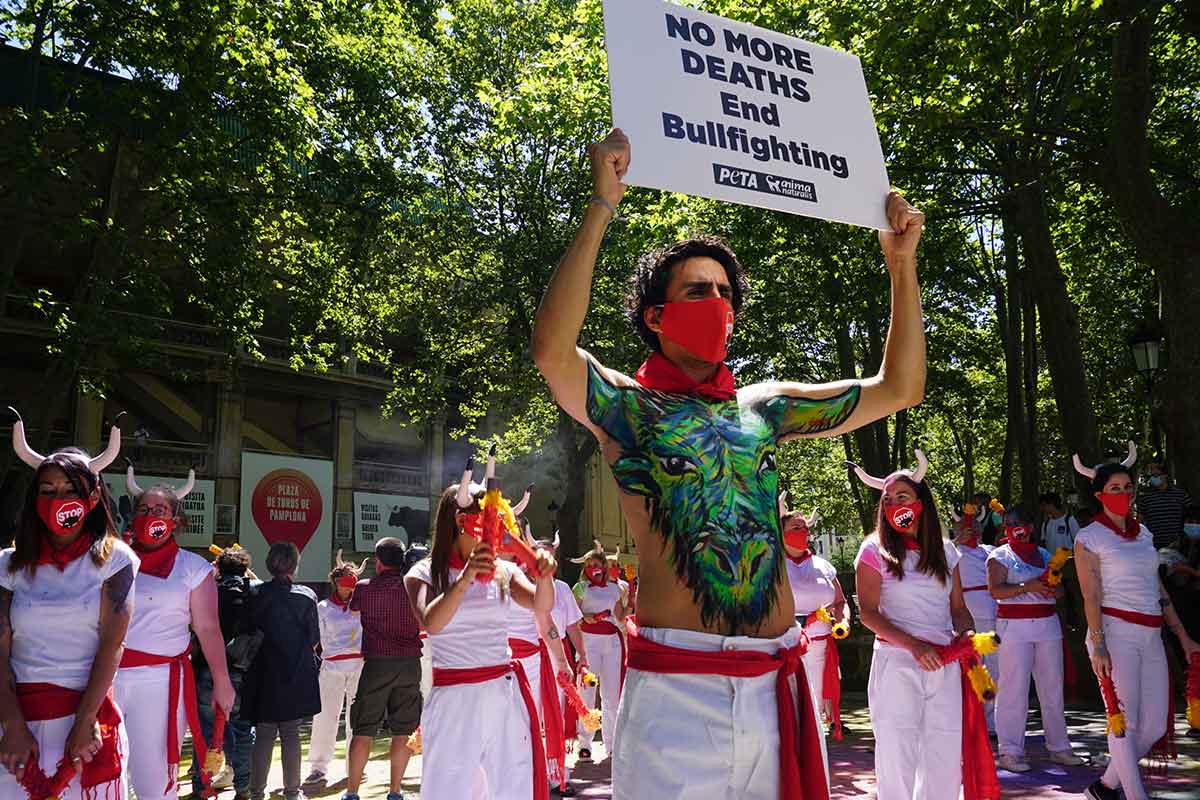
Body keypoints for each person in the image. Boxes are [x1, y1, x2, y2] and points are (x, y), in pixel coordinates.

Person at [531, 126, 925, 799]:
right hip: (674, 698)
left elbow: (899, 388)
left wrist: (900, 264)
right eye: (696, 291)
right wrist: (602, 206)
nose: (716, 304)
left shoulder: (766, 409)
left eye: (724, 294)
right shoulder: (629, 409)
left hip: (777, 687)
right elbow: (552, 352)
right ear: (655, 317)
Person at [404, 457, 557, 800]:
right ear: (461, 521)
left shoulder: (504, 571)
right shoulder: (422, 573)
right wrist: (466, 579)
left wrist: (544, 574)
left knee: (512, 786)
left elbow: (541, 604)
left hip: (503, 694)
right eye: (486, 518)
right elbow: (431, 623)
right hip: (454, 698)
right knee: (449, 788)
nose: (496, 526)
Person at [0, 412, 134, 800]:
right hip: (16, 724)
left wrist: (85, 720)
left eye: (71, 490)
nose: (59, 501)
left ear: (92, 499)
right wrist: (12, 723)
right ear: (34, 497)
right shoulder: (7, 565)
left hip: (84, 725)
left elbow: (113, 645)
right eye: (48, 490)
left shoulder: (116, 560)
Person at [852, 451, 996, 800]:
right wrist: (915, 646)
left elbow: (958, 609)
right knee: (897, 755)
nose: (893, 505)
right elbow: (868, 614)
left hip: (944, 663)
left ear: (922, 502)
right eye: (887, 500)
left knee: (944, 754)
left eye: (902, 497)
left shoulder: (948, 551)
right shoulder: (872, 550)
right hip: (897, 663)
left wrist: (966, 636)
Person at [1073, 445, 1200, 800]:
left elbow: (1156, 586)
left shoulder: (1143, 534)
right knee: (1124, 723)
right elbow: (1090, 596)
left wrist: (1182, 635)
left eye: (1128, 487)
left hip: (1151, 633)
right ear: (1099, 495)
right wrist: (1098, 643)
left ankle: (1104, 787)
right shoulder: (1089, 537)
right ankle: (1134, 795)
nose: (1123, 494)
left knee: (1156, 723)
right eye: (1115, 488)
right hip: (1115, 634)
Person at [115, 466, 236, 800]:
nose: (151, 516)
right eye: (143, 510)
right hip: (106, 679)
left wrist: (222, 681)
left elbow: (208, 628)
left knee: (154, 778)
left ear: (175, 520)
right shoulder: (111, 561)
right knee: (106, 776)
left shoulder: (193, 567)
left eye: (160, 510)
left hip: (162, 683)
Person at [986, 505, 1082, 772]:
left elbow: (1060, 590)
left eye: (1025, 522)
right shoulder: (999, 556)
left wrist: (1054, 589)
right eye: (1013, 523)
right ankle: (1010, 751)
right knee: (1013, 689)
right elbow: (996, 590)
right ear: (1005, 526)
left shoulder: (1044, 554)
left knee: (1052, 687)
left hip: (1047, 625)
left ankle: (1059, 747)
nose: (1020, 527)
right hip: (1014, 627)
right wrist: (1028, 587)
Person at [341, 537, 422, 800]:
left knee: (363, 728)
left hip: (376, 663)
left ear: (377, 561)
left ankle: (352, 792)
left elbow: (353, 611)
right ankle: (395, 791)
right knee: (403, 729)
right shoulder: (414, 587)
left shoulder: (365, 588)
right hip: (409, 663)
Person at [241, 542, 321, 800]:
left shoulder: (254, 593)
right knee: (290, 732)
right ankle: (292, 792)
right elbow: (313, 639)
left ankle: (256, 793)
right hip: (294, 671)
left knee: (263, 734)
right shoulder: (306, 596)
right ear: (294, 566)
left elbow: (246, 632)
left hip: (262, 672)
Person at [779, 494, 845, 782]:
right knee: (788, 704)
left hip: (820, 646)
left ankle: (815, 761)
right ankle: (788, 761)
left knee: (817, 705)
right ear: (781, 532)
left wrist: (842, 620)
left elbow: (841, 601)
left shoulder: (823, 565)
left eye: (805, 528)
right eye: (796, 527)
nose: (802, 532)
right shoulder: (771, 564)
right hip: (785, 647)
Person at [192, 546, 259, 800]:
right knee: (242, 732)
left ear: (218, 567)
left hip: (207, 670)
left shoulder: (207, 591)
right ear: (244, 568)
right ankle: (243, 789)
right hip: (241, 672)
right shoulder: (255, 592)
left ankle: (202, 786)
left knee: (205, 731)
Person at [304, 551, 368, 787]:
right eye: (344, 585)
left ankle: (356, 765)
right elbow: (315, 639)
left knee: (357, 719)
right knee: (324, 717)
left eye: (351, 585)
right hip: (331, 667)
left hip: (360, 666)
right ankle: (318, 768)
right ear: (336, 583)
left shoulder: (364, 606)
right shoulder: (322, 607)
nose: (347, 590)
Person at [535, 531, 587, 797]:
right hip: (530, 656)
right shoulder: (522, 583)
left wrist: (582, 657)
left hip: (559, 657)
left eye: (551, 554)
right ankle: (531, 778)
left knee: (556, 715)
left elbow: (572, 627)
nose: (547, 559)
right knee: (532, 718)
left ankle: (557, 777)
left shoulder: (564, 589)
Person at [569, 541, 625, 762]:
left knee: (611, 696)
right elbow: (572, 617)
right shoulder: (580, 588)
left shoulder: (615, 589)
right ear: (585, 569)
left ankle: (611, 745)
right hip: (589, 645)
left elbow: (620, 617)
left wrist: (629, 597)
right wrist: (587, 618)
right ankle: (585, 744)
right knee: (587, 693)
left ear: (604, 566)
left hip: (612, 645)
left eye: (597, 563)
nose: (594, 567)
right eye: (589, 564)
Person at [950, 503, 998, 734]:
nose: (971, 530)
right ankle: (968, 721)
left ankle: (991, 724)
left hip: (991, 616)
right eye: (965, 526)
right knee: (968, 669)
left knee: (993, 671)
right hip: (964, 618)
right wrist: (958, 541)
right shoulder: (951, 551)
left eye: (975, 526)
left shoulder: (989, 551)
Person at [1137, 461, 1191, 549]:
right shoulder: (1145, 498)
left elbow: (1191, 518)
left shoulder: (1181, 495)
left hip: (1179, 546)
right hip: (1153, 546)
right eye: (1152, 476)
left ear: (1165, 476)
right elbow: (1139, 523)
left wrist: (1182, 539)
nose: (1153, 478)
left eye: (1156, 476)